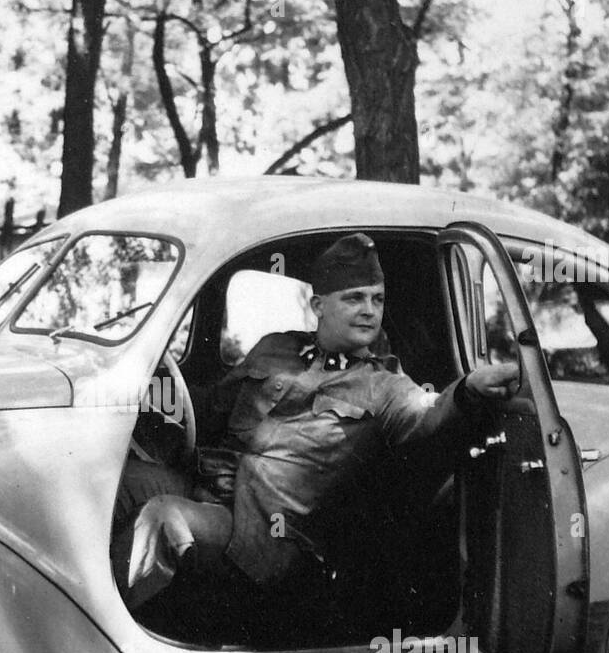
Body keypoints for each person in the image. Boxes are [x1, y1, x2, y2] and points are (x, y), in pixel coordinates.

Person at [114, 233, 520, 612]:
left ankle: (109, 647)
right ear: (318, 306)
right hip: (211, 487)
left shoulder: (384, 385)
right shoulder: (275, 349)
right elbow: (210, 406)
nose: (369, 311)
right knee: (120, 481)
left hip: (261, 536)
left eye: (377, 300)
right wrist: (151, 387)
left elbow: (429, 414)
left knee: (162, 520)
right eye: (355, 298)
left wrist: (469, 389)